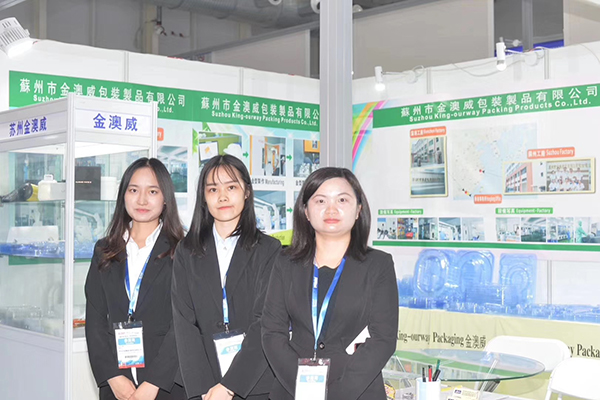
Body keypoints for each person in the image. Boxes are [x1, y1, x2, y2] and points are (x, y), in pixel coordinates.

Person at [261, 167, 398, 400]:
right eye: (320, 200)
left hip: (356, 392)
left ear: (358, 209)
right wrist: (305, 391)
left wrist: (336, 395)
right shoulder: (285, 262)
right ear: (306, 211)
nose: (331, 209)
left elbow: (383, 339)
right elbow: (272, 332)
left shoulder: (378, 265)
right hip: (292, 390)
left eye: (342, 200)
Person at [172, 155, 281, 400]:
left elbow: (265, 321)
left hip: (254, 383)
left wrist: (230, 385)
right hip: (203, 384)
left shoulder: (269, 250)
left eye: (231, 187)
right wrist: (203, 390)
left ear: (247, 192)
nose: (222, 196)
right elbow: (184, 323)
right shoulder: (186, 251)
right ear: (204, 197)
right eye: (213, 189)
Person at [85, 158, 185, 400]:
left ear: (165, 198)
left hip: (166, 386)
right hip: (117, 387)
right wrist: (113, 377)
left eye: (152, 191)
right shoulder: (104, 250)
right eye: (133, 190)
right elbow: (95, 321)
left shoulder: (182, 251)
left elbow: (183, 325)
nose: (142, 200)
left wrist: (153, 384)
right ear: (123, 195)